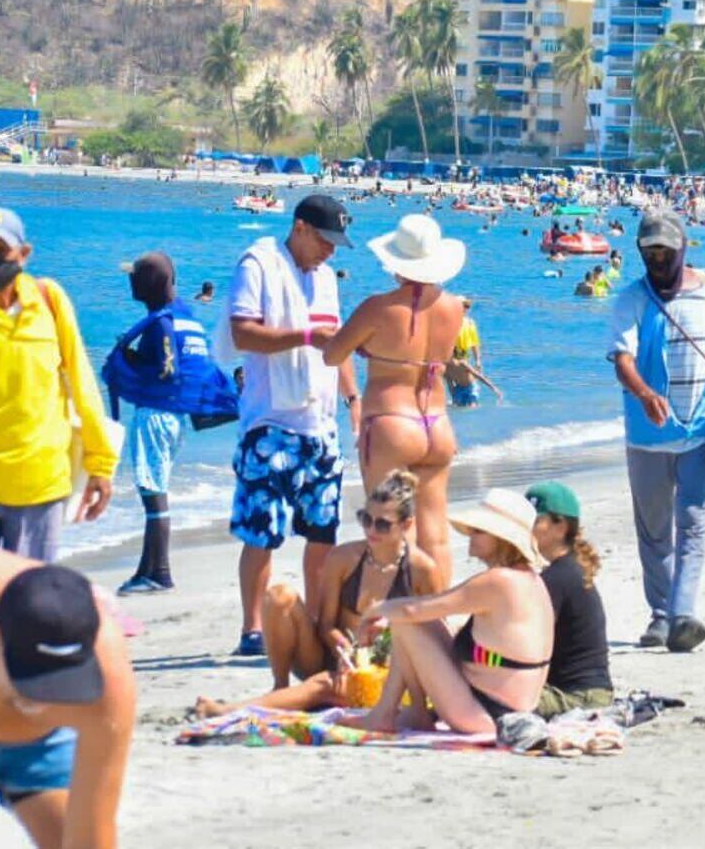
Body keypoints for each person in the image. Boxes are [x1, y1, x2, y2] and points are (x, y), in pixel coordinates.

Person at [215, 193, 356, 657]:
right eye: (324, 240)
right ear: (299, 228)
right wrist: (306, 336)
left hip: (321, 424)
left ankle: (316, 622)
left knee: (322, 533)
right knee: (263, 532)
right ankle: (252, 629)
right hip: (270, 422)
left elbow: (339, 344)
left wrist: (353, 400)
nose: (330, 251)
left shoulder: (326, 280)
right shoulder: (258, 264)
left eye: (336, 243)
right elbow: (242, 334)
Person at [189, 470, 436, 717]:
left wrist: (390, 636)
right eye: (366, 519)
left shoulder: (421, 570)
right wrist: (343, 647)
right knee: (279, 596)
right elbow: (325, 625)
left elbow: (436, 635)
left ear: (406, 525)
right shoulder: (343, 558)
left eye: (382, 524)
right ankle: (280, 687)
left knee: (325, 686)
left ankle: (229, 710)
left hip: (388, 669)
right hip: (331, 656)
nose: (371, 529)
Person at [608, 211, 705, 654]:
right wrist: (646, 394)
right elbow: (622, 359)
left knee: (692, 520)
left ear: (683, 247)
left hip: (703, 426)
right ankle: (661, 614)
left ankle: (682, 614)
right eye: (650, 252)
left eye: (666, 251)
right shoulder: (631, 299)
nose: (658, 259)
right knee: (653, 529)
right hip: (648, 436)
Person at [0, 207, 117, 561]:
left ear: (24, 254)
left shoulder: (49, 300)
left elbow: (82, 383)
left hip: (41, 482)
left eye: (2, 252)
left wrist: (101, 464)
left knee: (28, 604)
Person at [322, 213, 467, 589]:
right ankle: (436, 616)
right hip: (436, 423)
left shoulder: (378, 307)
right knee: (435, 529)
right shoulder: (454, 308)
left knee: (390, 528)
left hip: (390, 421)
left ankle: (396, 618)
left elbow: (333, 355)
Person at [0, 550, 134, 848]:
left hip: (37, 746)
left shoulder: (108, 672)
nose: (44, 705)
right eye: (34, 686)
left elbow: (92, 835)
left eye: (63, 686)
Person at [346, 489, 553, 735]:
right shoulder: (529, 580)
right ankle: (404, 712)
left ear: (501, 538)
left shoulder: (498, 581)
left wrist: (373, 611)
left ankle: (392, 713)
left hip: (486, 714)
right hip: (500, 708)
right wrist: (389, 617)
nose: (470, 537)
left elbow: (413, 610)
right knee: (411, 619)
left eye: (479, 531)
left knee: (406, 619)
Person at [100, 252, 238, 595]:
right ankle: (147, 569)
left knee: (153, 494)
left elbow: (166, 370)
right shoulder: (185, 318)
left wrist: (129, 361)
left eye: (135, 277)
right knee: (155, 490)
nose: (130, 282)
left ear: (149, 284)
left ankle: (159, 571)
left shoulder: (160, 322)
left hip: (156, 416)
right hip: (173, 417)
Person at [523, 482, 615, 718]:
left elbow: (523, 645)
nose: (525, 529)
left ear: (560, 527)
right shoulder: (568, 570)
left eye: (533, 521)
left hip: (578, 697)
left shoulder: (557, 578)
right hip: (590, 693)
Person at [444, 298, 500, 411]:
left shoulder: (469, 323)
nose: (465, 309)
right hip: (450, 356)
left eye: (467, 307)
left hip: (462, 357)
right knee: (454, 387)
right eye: (463, 306)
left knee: (467, 380)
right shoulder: (448, 323)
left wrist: (478, 360)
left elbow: (475, 343)